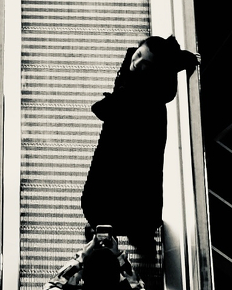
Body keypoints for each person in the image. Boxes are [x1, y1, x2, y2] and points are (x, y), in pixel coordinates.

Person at [80, 35, 197, 260]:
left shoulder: (147, 92)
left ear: (155, 71)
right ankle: (127, 232)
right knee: (124, 189)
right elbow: (171, 60)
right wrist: (187, 59)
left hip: (136, 143)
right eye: (138, 55)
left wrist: (112, 102)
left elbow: (113, 110)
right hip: (127, 140)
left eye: (146, 65)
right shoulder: (145, 72)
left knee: (132, 185)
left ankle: (117, 230)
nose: (136, 63)